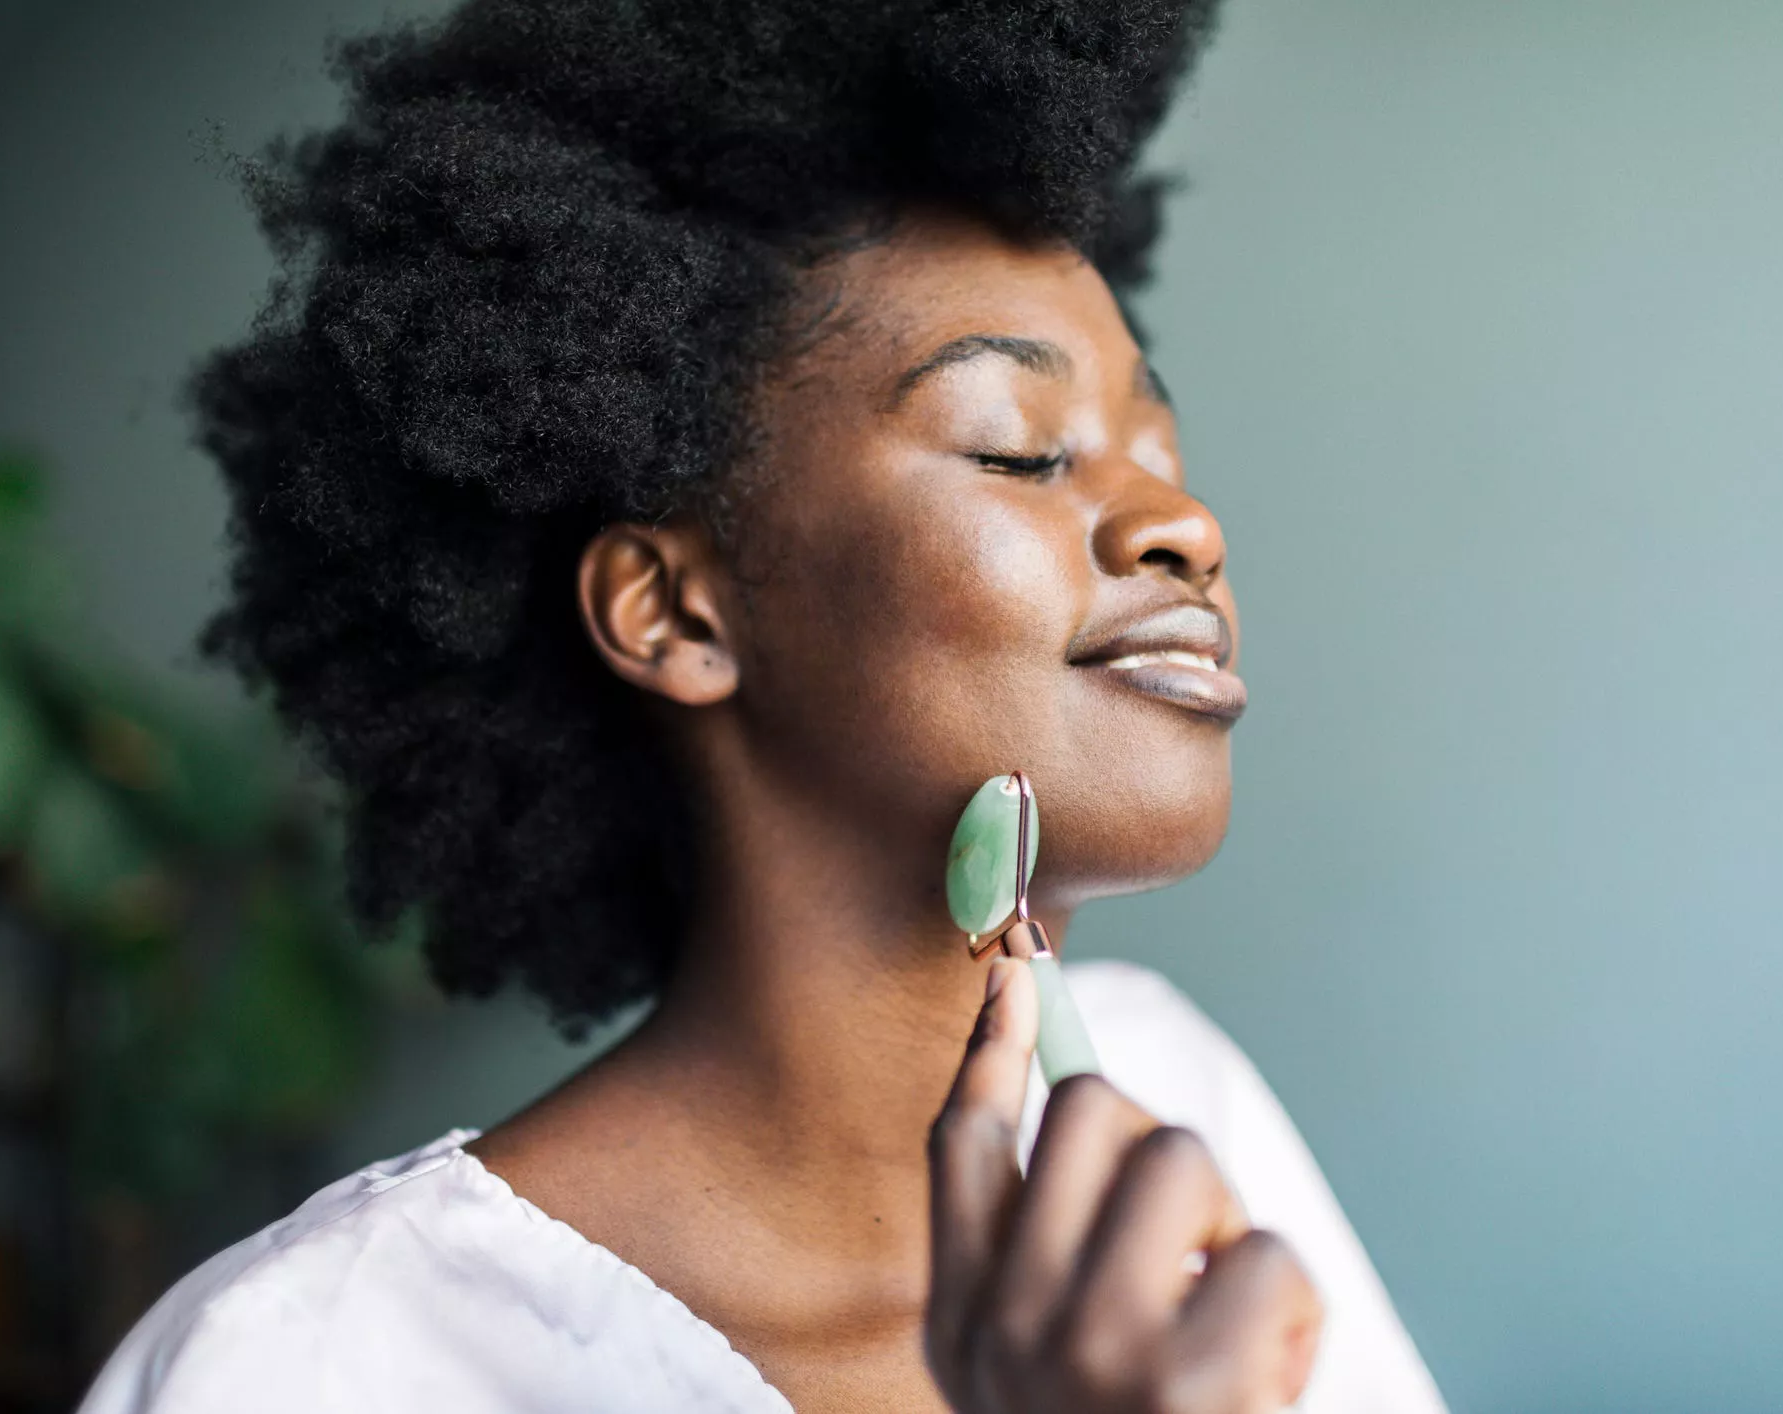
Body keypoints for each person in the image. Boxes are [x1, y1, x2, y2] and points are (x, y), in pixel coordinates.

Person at [80, 1, 1447, 1410]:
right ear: (676, 613)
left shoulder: (1170, 1098)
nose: (1185, 525)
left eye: (1162, 452)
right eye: (1017, 450)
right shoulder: (314, 1360)